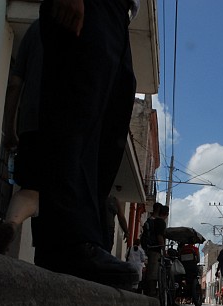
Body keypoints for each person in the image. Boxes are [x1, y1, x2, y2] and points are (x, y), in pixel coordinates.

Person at [32, 0, 140, 290]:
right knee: (76, 107)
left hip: (119, 14)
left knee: (109, 123)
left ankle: (86, 240)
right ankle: (68, 241)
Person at [0, 19, 42, 255]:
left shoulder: (36, 29)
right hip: (69, 132)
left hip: (31, 127)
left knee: (29, 190)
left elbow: (14, 84)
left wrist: (9, 129)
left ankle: (11, 223)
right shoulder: (89, 25)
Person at [143, 204, 169, 296]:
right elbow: (159, 236)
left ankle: (150, 291)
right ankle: (151, 292)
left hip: (149, 248)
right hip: (155, 249)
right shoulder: (160, 222)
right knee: (153, 272)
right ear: (166, 214)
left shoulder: (151, 221)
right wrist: (163, 249)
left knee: (151, 270)